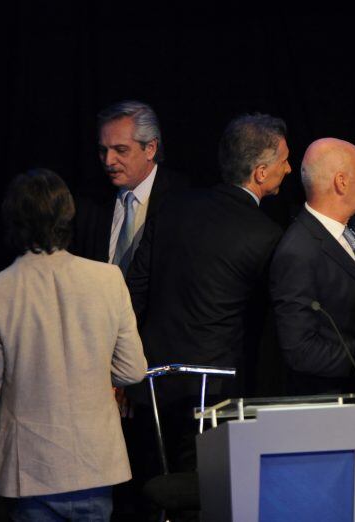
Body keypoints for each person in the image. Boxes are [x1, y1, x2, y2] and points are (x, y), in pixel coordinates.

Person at [0, 169, 147, 520]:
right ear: (67, 215)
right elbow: (132, 370)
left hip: (31, 471)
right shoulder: (108, 280)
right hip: (96, 464)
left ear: (13, 219)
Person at [125, 113, 291, 472]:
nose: (289, 169)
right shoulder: (267, 236)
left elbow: (133, 292)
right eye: (284, 160)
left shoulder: (173, 207)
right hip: (213, 399)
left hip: (150, 388)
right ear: (260, 172)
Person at [269, 138, 355, 395]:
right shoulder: (297, 251)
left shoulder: (352, 228)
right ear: (341, 182)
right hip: (337, 405)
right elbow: (300, 350)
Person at [71, 100, 189, 274]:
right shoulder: (89, 198)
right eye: (103, 150)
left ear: (150, 148)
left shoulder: (182, 199)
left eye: (121, 150)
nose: (109, 160)